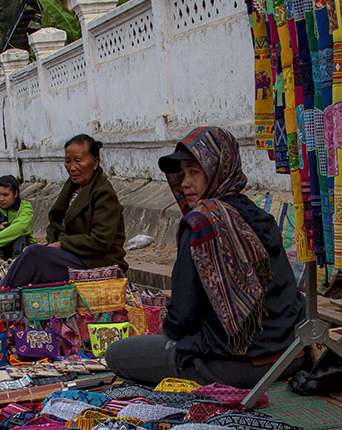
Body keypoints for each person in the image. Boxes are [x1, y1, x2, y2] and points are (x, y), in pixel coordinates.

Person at [106, 126, 306, 389]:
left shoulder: (202, 224)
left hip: (235, 365)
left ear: (217, 171)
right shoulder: (259, 216)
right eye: (183, 173)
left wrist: (162, 336)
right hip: (291, 356)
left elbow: (181, 316)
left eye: (194, 172)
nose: (184, 183)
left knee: (117, 353)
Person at [0, 135, 127, 288]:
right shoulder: (71, 187)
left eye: (78, 161)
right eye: (68, 161)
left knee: (33, 254)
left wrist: (61, 245)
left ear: (95, 163)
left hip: (95, 261)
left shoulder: (103, 193)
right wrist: (52, 245)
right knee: (33, 258)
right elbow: (55, 223)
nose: (72, 167)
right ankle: (4, 292)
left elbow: (100, 241)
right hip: (71, 256)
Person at [0, 175, 34, 261]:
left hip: (22, 248)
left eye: (5, 195)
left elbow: (21, 227)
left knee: (19, 236)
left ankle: (17, 263)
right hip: (0, 249)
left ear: (15, 194)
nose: (1, 199)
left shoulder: (25, 207)